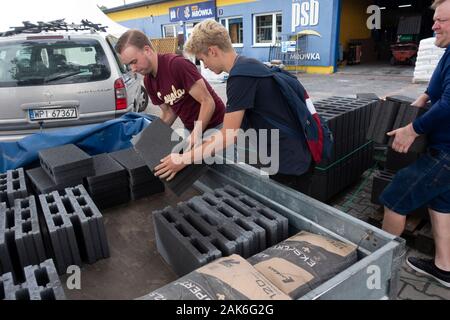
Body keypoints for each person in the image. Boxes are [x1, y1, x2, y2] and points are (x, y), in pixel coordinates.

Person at [154, 19, 326, 195]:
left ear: (212, 51)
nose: (204, 65)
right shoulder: (248, 64)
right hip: (293, 153)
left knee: (289, 214)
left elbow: (229, 134)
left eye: (202, 59)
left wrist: (183, 159)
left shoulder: (240, 77)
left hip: (291, 161)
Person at [380, 0, 450, 287]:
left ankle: (381, 270)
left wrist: (413, 128)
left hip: (445, 153)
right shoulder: (447, 53)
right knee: (441, 203)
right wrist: (418, 103)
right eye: (435, 19)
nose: (434, 25)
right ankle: (445, 267)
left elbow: (448, 103)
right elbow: (435, 89)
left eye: (442, 20)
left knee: (395, 198)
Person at [115, 29, 225, 149]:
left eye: (134, 62)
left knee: (222, 166)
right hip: (191, 129)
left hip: (217, 126)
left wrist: (194, 137)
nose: (133, 69)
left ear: (147, 50)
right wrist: (148, 136)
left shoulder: (176, 65)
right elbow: (169, 112)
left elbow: (208, 102)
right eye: (129, 65)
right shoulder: (148, 81)